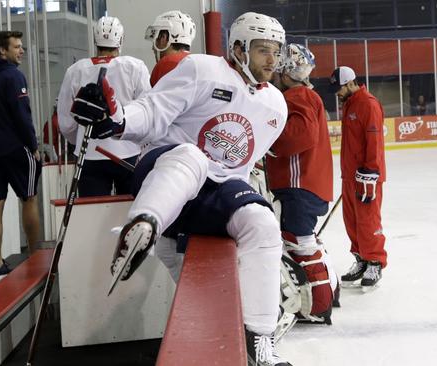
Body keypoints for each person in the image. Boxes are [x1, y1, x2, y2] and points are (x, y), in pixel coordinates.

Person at [70, 12, 291, 366]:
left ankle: (260, 339)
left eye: (276, 51)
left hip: (213, 195)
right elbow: (152, 111)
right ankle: (143, 225)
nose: (272, 59)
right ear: (237, 48)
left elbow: (241, 168)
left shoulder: (275, 106)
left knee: (262, 222)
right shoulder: (201, 69)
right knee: (192, 156)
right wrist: (117, 120)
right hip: (166, 175)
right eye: (263, 49)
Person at [267, 43, 338, 323]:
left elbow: (298, 138)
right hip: (306, 185)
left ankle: (319, 307)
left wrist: (266, 139)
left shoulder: (297, 97)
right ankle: (329, 292)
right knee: (307, 242)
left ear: (285, 71)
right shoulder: (306, 96)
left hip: (299, 187)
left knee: (301, 245)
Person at [0, 30, 41, 282]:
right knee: (30, 198)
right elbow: (22, 115)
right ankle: (35, 257)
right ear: (2, 50)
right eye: (17, 47)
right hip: (14, 149)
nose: (21, 50)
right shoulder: (13, 76)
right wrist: (32, 145)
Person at [57, 16, 150, 197]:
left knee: (93, 216)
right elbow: (147, 113)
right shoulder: (135, 67)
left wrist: (80, 139)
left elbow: (66, 124)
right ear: (121, 40)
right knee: (130, 213)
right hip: (129, 152)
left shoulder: (75, 70)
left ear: (95, 40)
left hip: (89, 154)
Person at [329, 66, 387, 293]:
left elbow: (374, 142)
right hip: (350, 175)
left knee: (368, 221)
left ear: (350, 83)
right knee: (351, 221)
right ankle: (361, 258)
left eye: (339, 88)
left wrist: (371, 171)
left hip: (367, 176)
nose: (337, 93)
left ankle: (375, 262)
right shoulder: (350, 104)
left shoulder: (368, 104)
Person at [144, 10, 196, 86]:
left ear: (163, 38)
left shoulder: (167, 63)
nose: (153, 48)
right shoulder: (198, 63)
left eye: (155, 40)